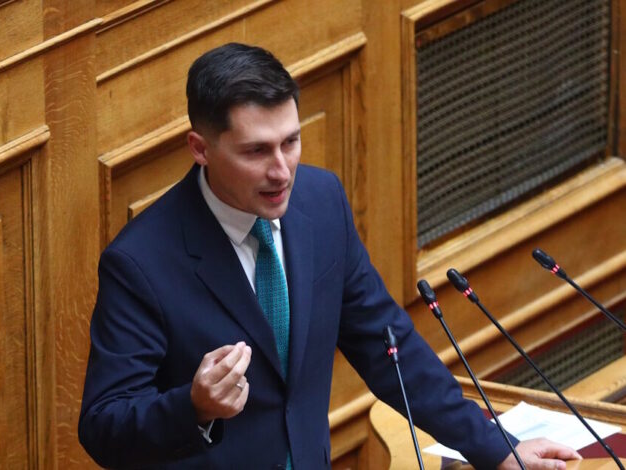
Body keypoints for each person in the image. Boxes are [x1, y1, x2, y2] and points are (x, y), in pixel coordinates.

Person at [78, 43, 581, 469]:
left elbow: (388, 346)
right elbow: (103, 426)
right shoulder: (140, 262)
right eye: (257, 151)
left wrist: (497, 449)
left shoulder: (320, 203)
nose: (282, 171)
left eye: (291, 142)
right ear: (200, 148)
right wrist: (193, 407)